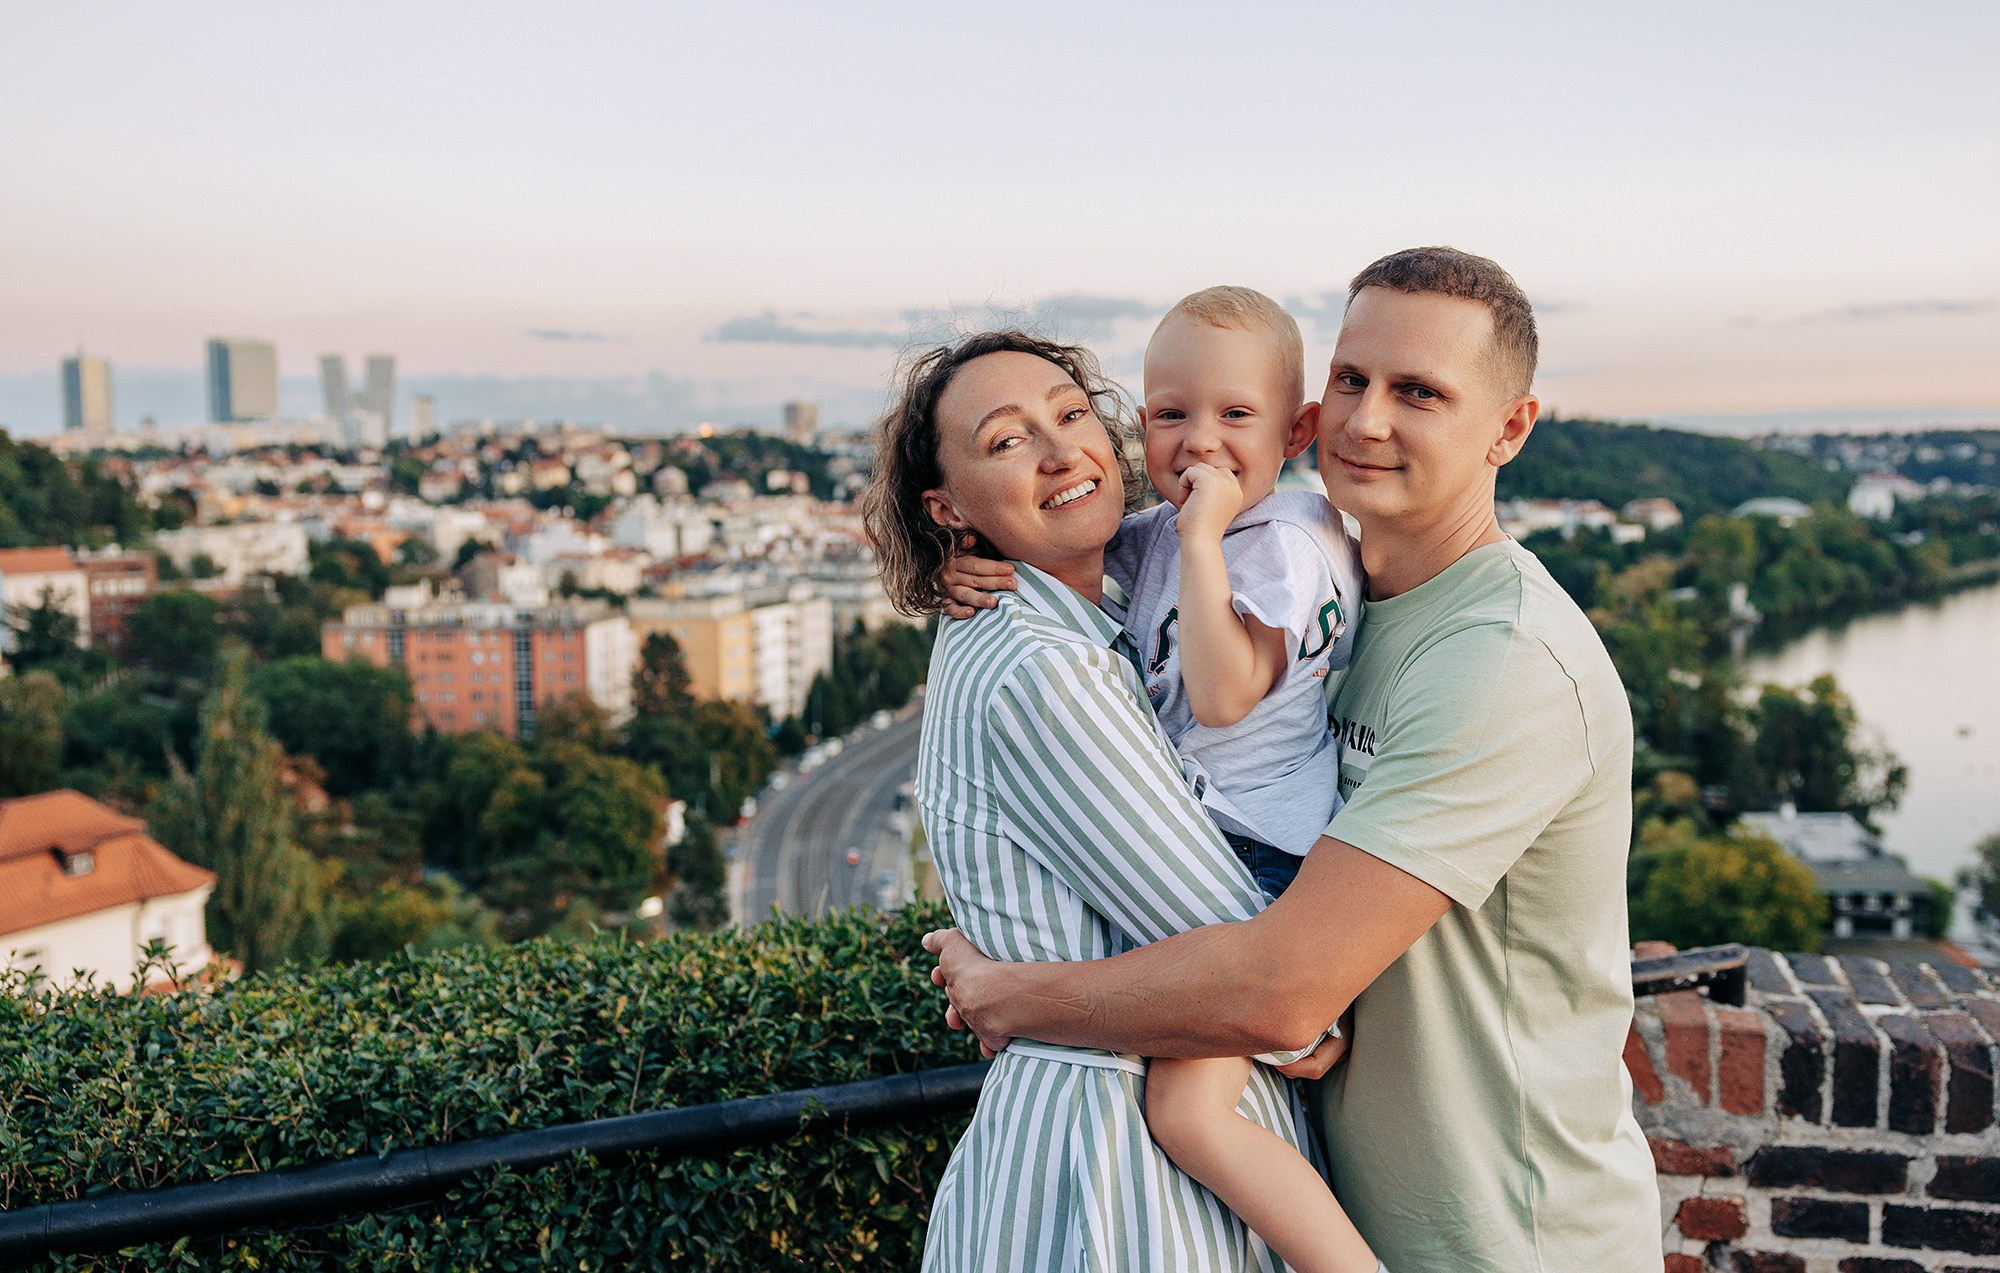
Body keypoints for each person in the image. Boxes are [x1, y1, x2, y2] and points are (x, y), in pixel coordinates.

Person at [925, 247, 1663, 1272]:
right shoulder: (1347, 596)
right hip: (1363, 1212)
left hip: (1503, 1236)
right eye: (1351, 380)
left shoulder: (1505, 660)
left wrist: (1012, 995)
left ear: (1508, 428)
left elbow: (1281, 991)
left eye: (1418, 392)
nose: (1366, 420)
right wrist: (983, 563)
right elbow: (1129, 573)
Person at [863, 330, 1375, 1272]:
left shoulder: (1086, 614)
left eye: (1070, 414)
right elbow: (1258, 979)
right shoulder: (1045, 667)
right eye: (1007, 441)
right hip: (1117, 1179)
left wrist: (1010, 989)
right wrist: (1318, 1005)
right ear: (946, 506)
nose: (1063, 451)